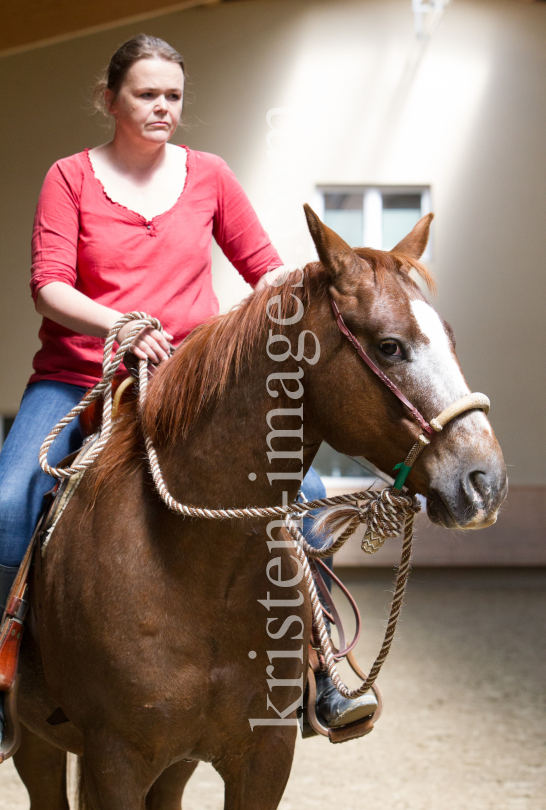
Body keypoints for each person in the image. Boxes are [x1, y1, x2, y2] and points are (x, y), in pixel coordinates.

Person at [0, 35, 376, 746]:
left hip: (188, 381)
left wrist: (319, 303)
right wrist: (122, 323)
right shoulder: (70, 177)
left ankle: (323, 667)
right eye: (146, 94)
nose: (162, 107)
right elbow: (48, 285)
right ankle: (2, 680)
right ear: (109, 99)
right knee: (3, 501)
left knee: (315, 496)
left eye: (173, 95)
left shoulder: (209, 175)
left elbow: (263, 269)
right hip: (79, 375)